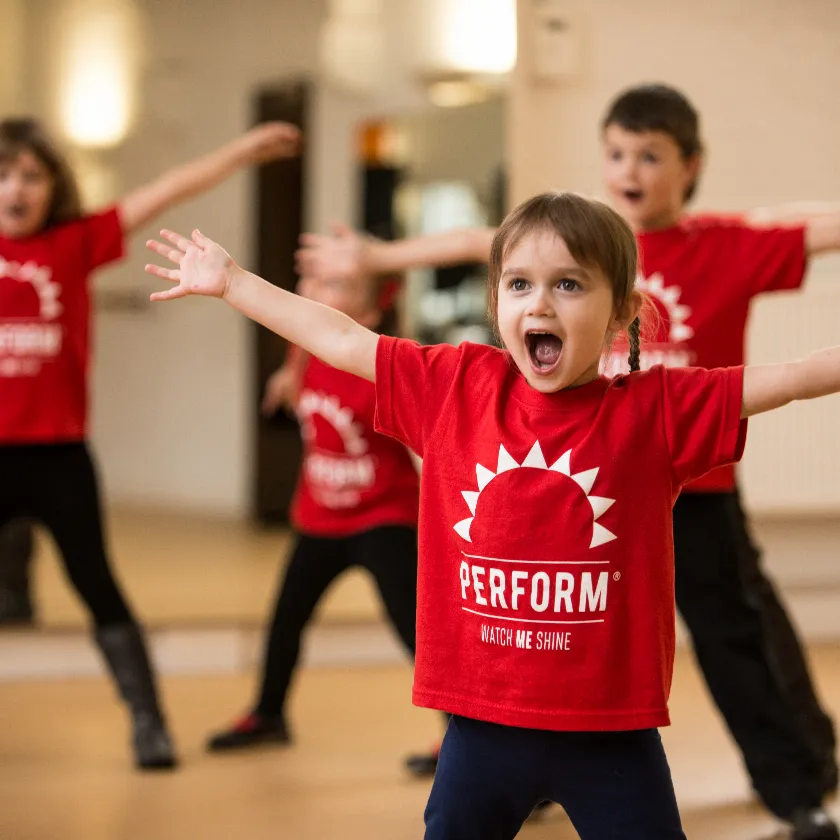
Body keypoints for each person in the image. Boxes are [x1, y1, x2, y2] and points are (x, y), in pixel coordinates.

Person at [144, 190, 840, 839]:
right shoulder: (455, 387)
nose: (540, 302)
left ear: (624, 312)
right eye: (520, 284)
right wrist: (234, 283)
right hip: (480, 731)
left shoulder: (655, 410)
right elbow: (344, 339)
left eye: (569, 284)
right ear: (496, 300)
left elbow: (791, 379)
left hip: (611, 734)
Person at [294, 83, 840, 826]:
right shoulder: (565, 262)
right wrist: (364, 257)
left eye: (650, 155)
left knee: (735, 640)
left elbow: (800, 340)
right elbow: (452, 258)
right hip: (559, 540)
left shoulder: (721, 257)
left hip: (690, 485)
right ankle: (539, 761)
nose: (630, 168)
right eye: (617, 152)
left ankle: (796, 791)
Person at [0, 116, 299, 769]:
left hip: (57, 456)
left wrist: (242, 148)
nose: (14, 190)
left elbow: (166, 190)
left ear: (54, 187)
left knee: (96, 582)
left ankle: (148, 720)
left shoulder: (75, 242)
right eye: (3, 176)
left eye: (30, 176)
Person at [205, 272, 439, 774]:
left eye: (336, 284)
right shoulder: (303, 349)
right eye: (314, 283)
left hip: (384, 515)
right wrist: (285, 382)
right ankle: (269, 715)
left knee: (416, 631)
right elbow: (299, 390)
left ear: (371, 313)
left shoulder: (384, 368)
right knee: (287, 618)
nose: (315, 292)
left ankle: (466, 737)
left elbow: (425, 449)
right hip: (318, 515)